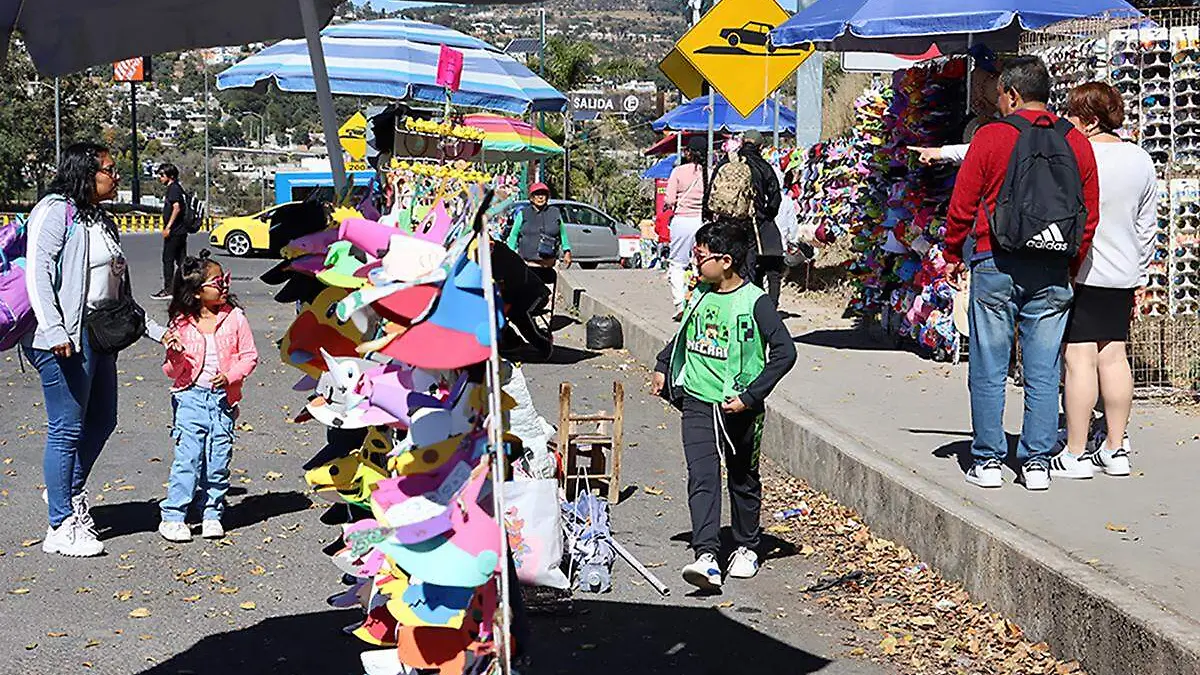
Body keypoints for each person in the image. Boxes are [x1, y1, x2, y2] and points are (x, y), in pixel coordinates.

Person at [943, 55, 1100, 492]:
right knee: (1044, 368)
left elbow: (964, 202)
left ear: (1011, 93)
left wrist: (954, 250)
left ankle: (989, 459)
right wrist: (1070, 260)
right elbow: (1089, 213)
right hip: (1052, 266)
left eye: (998, 94)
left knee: (990, 363)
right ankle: (1036, 462)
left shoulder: (991, 137)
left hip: (995, 261)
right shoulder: (1077, 142)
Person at [24, 142, 169, 557]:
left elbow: (118, 290)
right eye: (109, 168)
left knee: (103, 419)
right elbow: (39, 271)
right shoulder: (55, 211)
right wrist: (54, 330)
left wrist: (154, 330)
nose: (116, 175)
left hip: (100, 335)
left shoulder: (102, 219)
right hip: (66, 337)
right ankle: (59, 524)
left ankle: (65, 495)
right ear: (85, 172)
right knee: (66, 427)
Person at [651, 221, 797, 590]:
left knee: (742, 477)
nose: (694, 263)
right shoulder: (699, 292)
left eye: (700, 257)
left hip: (738, 407)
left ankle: (747, 546)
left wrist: (750, 397)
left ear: (726, 261)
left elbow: (785, 352)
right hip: (698, 400)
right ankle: (706, 555)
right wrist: (664, 364)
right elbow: (687, 329)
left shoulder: (756, 303)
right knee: (702, 476)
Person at [1051, 82, 1156, 480]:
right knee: (1114, 356)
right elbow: (1147, 224)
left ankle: (1074, 453)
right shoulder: (1141, 159)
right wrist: (1139, 266)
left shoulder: (1079, 154)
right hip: (1124, 271)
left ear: (1090, 120)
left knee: (1079, 359)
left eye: (1074, 115)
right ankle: (1115, 447)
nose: (1069, 122)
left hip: (1083, 269)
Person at [159, 251, 259, 542]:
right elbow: (170, 371)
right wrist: (174, 355)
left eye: (225, 279)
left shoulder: (235, 318)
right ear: (198, 291)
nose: (225, 285)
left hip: (222, 401)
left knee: (218, 459)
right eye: (217, 281)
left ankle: (212, 512)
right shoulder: (180, 323)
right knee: (188, 458)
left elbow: (250, 356)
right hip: (189, 396)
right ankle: (174, 516)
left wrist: (231, 376)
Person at [738, 131, 784, 306]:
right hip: (758, 221)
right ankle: (769, 307)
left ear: (742, 143)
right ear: (760, 147)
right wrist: (767, 215)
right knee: (771, 266)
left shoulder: (728, 163)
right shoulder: (763, 166)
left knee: (747, 267)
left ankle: (748, 304)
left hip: (732, 223)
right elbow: (775, 197)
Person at [664, 143, 707, 319]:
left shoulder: (678, 171)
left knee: (677, 264)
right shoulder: (708, 172)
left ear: (688, 153)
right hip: (702, 221)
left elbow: (669, 199)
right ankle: (698, 300)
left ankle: (680, 303)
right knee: (701, 263)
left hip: (682, 220)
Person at [505, 183, 572, 268]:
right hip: (527, 264)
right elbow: (514, 235)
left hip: (549, 264)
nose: (540, 197)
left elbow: (563, 234)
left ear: (547, 197)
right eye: (537, 194)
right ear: (532, 198)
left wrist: (567, 251)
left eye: (543, 194)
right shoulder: (523, 214)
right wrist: (509, 254)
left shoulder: (555, 213)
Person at [152, 163, 188, 300]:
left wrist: (168, 227)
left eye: (162, 175)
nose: (160, 177)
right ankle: (186, 287)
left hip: (175, 232)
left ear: (170, 176)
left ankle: (169, 289)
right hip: (180, 231)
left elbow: (176, 208)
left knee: (168, 260)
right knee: (182, 261)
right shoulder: (177, 188)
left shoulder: (173, 189)